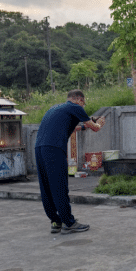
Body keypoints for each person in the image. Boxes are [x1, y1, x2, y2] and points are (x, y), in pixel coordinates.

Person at [34, 90, 105, 234]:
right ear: (79, 100)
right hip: (54, 148)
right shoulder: (76, 107)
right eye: (83, 103)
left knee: (46, 186)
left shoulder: (55, 108)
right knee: (59, 185)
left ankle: (55, 221)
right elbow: (95, 128)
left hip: (39, 148)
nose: (83, 107)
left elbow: (73, 128)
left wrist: (85, 126)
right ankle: (69, 222)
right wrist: (99, 124)